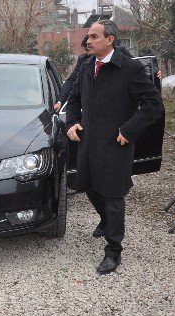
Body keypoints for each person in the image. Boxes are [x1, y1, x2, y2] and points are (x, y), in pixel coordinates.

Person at [66, 20, 163, 274]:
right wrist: (73, 122)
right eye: (88, 36)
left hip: (116, 143)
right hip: (89, 141)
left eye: (94, 36)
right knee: (86, 185)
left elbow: (153, 104)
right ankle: (108, 221)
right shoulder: (88, 66)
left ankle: (113, 251)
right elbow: (74, 99)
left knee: (112, 194)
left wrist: (129, 130)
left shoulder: (129, 68)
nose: (88, 41)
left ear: (109, 40)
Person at [54, 36, 91, 113]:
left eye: (89, 50)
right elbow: (72, 80)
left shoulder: (118, 58)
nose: (87, 53)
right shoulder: (83, 60)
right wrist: (60, 102)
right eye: (86, 50)